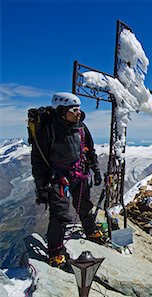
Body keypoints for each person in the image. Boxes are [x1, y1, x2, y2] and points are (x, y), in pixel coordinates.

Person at [31, 92, 106, 269]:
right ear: (62, 110)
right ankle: (56, 252)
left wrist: (95, 170)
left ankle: (90, 229)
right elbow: (38, 159)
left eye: (79, 109)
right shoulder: (48, 129)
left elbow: (89, 150)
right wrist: (41, 185)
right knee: (60, 214)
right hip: (57, 178)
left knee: (85, 204)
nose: (78, 112)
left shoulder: (81, 128)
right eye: (74, 109)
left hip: (79, 172)